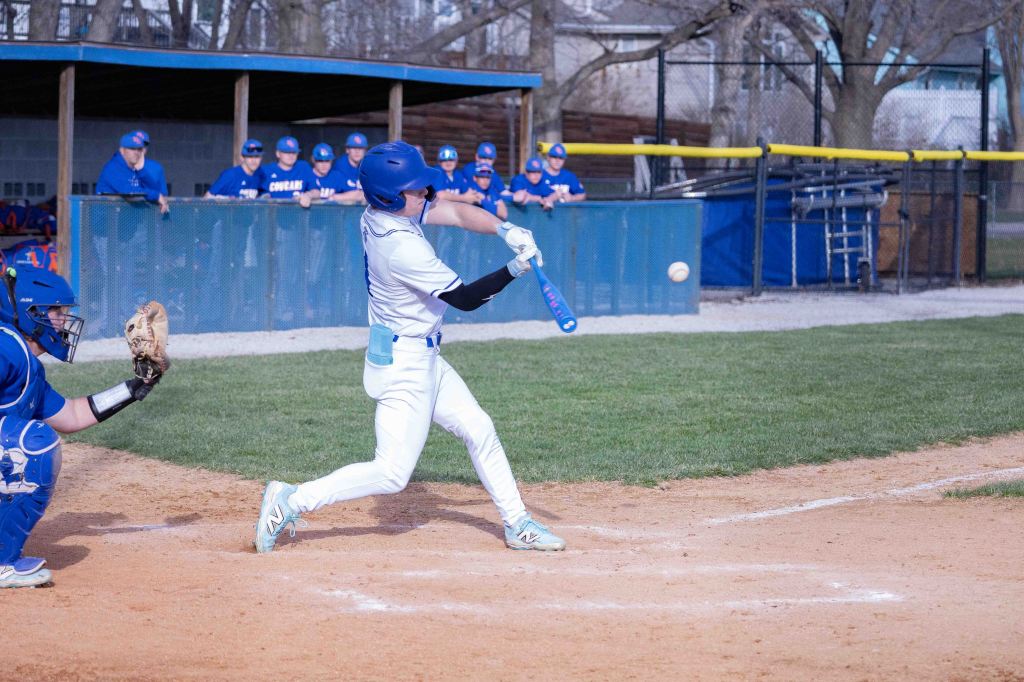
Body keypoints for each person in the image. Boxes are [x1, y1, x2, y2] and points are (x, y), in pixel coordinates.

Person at [254, 140, 565, 554]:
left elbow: (453, 210)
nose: (426, 194)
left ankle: (517, 523)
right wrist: (514, 269)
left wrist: (503, 228)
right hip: (406, 363)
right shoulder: (400, 247)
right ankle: (292, 499)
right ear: (391, 195)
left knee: (479, 428)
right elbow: (467, 299)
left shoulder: (381, 210)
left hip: (423, 353)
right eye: (416, 189)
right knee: (392, 474)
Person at [0, 266, 160, 588]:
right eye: (56, 310)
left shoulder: (27, 366)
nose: (63, 320)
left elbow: (71, 415)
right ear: (31, 312)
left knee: (25, 442)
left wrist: (134, 387)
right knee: (34, 446)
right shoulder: (9, 347)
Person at [96, 131, 169, 213]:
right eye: (132, 148)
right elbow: (129, 191)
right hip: (105, 220)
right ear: (122, 150)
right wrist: (156, 196)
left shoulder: (135, 169)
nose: (136, 153)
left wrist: (141, 171)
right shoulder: (113, 167)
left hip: (124, 220)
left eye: (139, 149)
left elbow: (156, 190)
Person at [260, 136, 314, 206]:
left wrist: (308, 195)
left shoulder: (303, 167)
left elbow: (316, 191)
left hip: (298, 213)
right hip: (274, 214)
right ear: (278, 154)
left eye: (294, 152)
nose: (291, 155)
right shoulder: (266, 170)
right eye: (287, 152)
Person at [334, 132, 368, 203]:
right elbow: (333, 196)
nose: (357, 151)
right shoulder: (340, 166)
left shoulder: (368, 165)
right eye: (354, 147)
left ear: (365, 151)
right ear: (347, 150)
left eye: (360, 148)